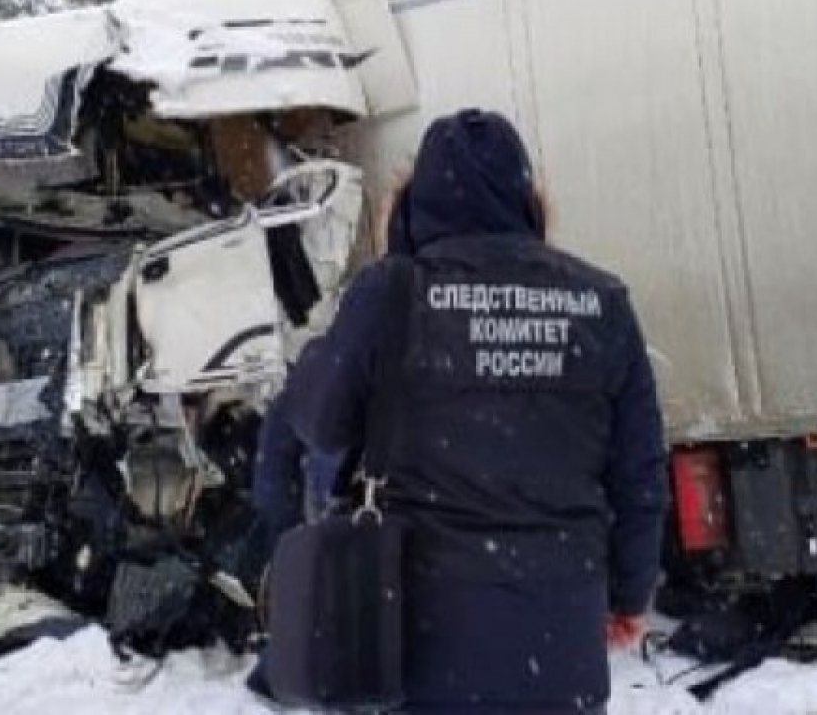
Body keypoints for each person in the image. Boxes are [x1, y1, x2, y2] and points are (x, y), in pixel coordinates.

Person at [253, 109, 667, 713]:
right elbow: (639, 474)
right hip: (560, 644)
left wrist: (334, 338)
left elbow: (318, 422)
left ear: (415, 201)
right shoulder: (600, 301)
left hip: (422, 642)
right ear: (528, 199)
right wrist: (629, 594)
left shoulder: (393, 292)